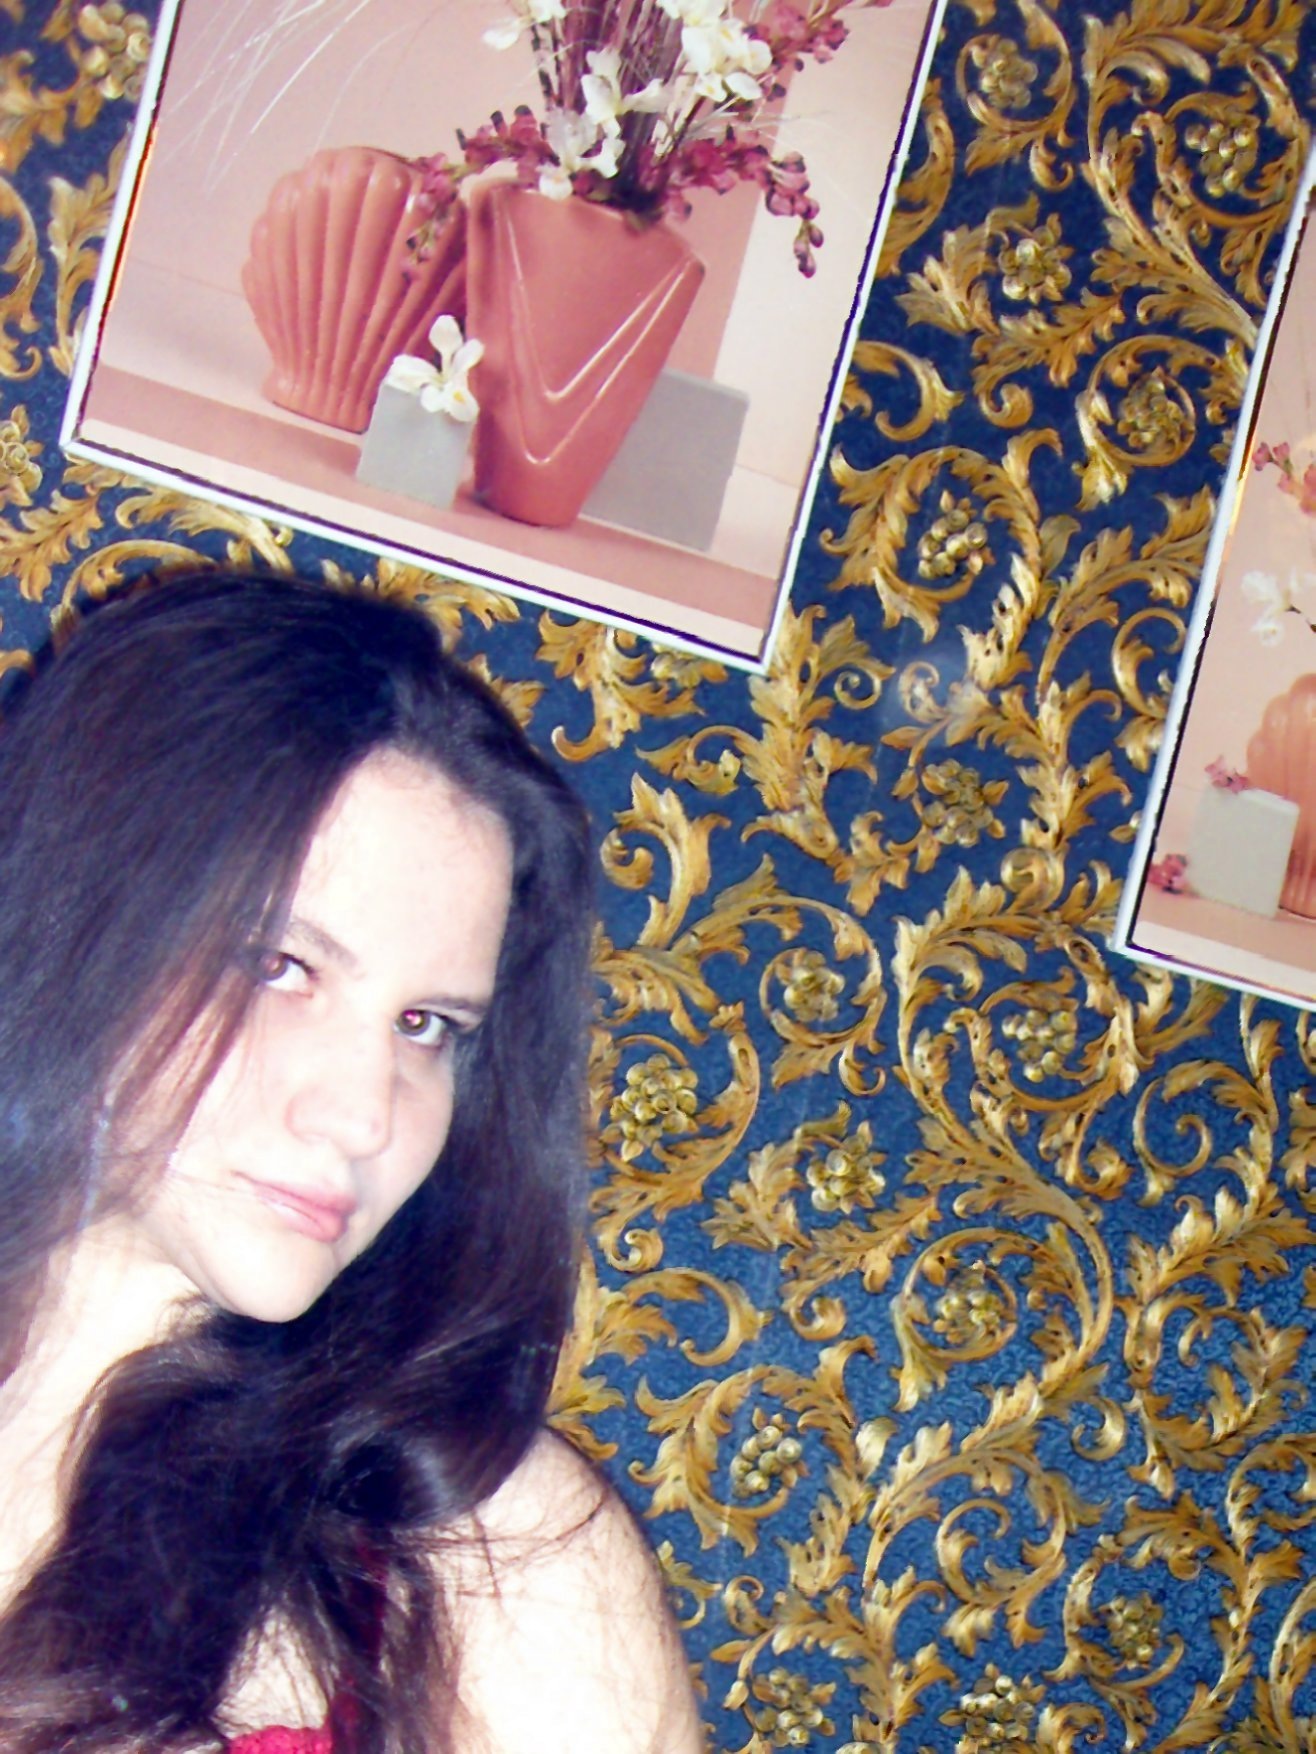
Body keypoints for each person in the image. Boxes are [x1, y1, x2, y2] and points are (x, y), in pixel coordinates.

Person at [0, 572, 703, 1753]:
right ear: (78, 917)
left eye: (427, 1025)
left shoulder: (493, 1560)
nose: (366, 1114)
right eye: (279, 964)